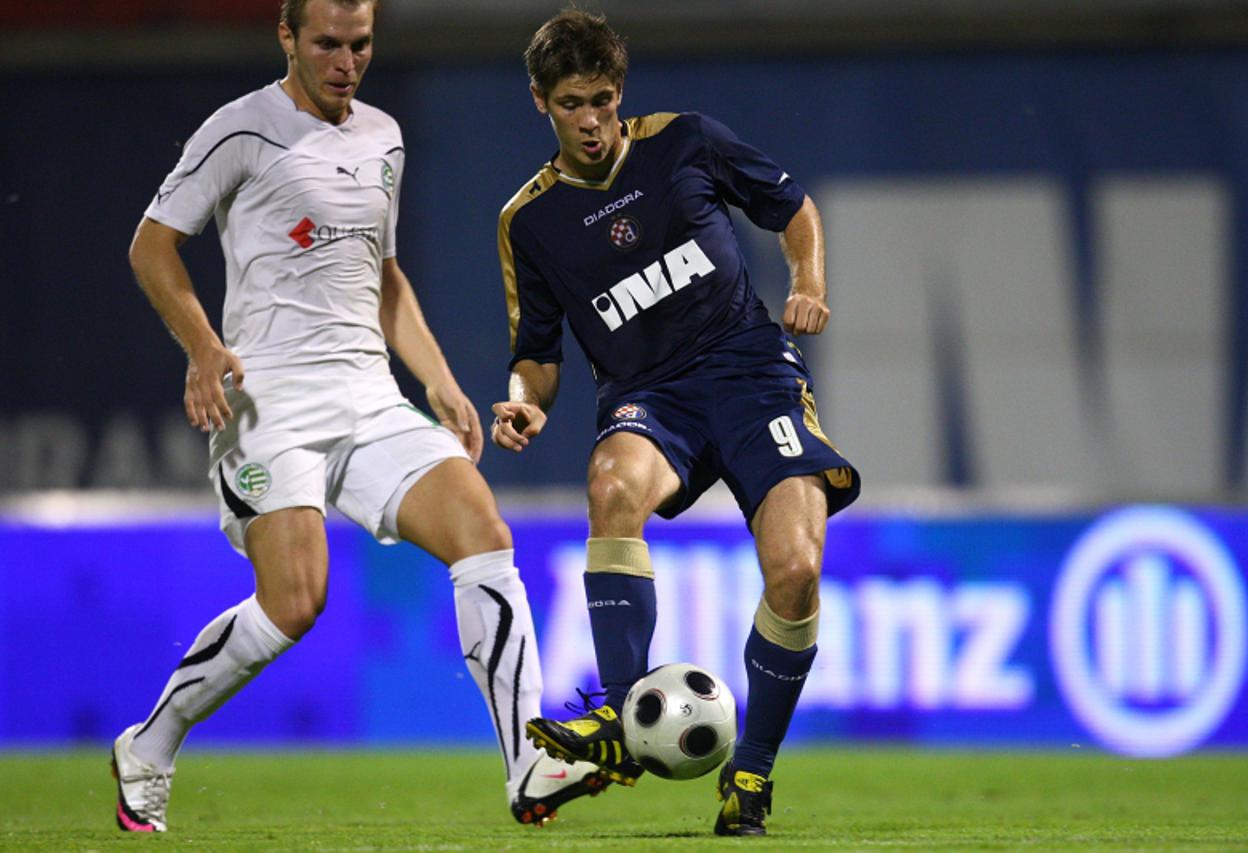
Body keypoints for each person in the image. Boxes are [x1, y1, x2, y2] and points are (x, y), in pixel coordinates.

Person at [115, 0, 610, 833]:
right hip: (270, 395)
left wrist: (441, 382)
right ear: (288, 38)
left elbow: (382, 275)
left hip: (370, 393)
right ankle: (150, 743)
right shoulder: (241, 129)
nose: (347, 61)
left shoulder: (384, 135)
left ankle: (529, 762)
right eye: (328, 44)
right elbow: (151, 244)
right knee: (295, 599)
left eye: (361, 44)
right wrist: (203, 347)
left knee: (483, 529)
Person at [490, 8, 860, 839]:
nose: (591, 119)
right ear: (539, 103)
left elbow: (794, 206)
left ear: (620, 91)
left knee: (798, 570)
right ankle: (624, 720)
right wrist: (523, 397)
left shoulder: (686, 141)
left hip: (751, 374)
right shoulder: (530, 221)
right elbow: (538, 350)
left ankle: (751, 775)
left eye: (603, 98)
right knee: (610, 482)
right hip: (648, 395)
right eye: (571, 103)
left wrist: (808, 278)